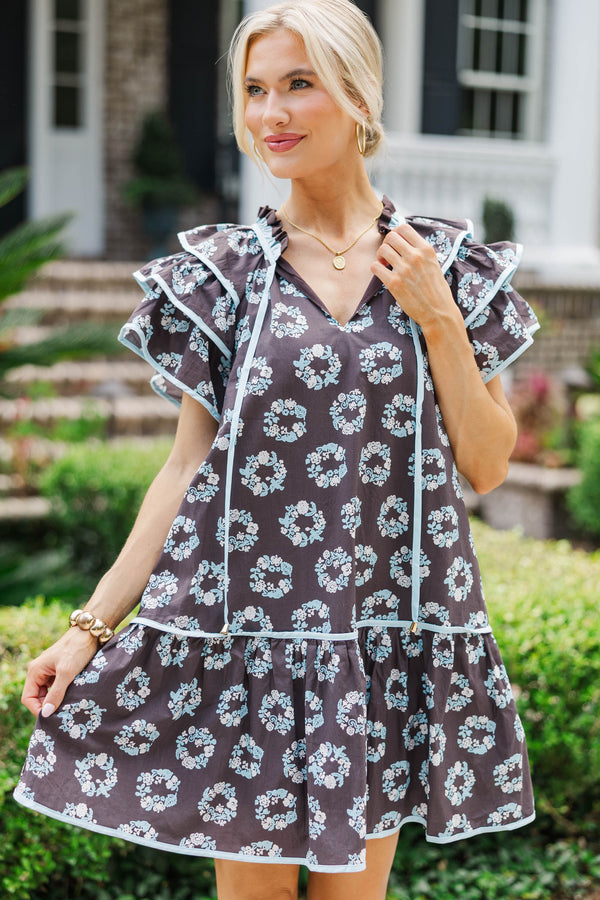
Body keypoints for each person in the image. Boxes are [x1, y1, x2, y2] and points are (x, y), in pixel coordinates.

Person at [14, 1, 538, 898]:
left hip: (382, 642)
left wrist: (439, 318)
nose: (272, 114)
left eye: (299, 84)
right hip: (252, 648)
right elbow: (187, 469)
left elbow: (488, 465)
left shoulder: (446, 266)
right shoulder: (224, 275)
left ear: (359, 97)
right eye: (255, 90)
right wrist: (89, 627)